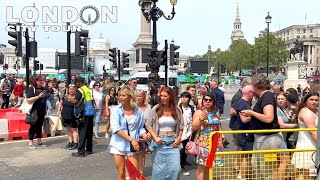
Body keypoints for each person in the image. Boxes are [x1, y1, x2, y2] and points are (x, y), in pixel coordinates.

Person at [240, 74, 283, 179]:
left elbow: (268, 118)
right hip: (261, 137)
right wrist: (251, 116)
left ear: (256, 85)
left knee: (266, 170)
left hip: (268, 139)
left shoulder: (267, 96)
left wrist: (252, 113)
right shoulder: (265, 96)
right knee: (257, 166)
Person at [109, 87, 148, 180]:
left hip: (132, 146)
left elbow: (140, 127)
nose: (120, 97)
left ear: (130, 97)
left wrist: (144, 134)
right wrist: (131, 139)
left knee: (134, 173)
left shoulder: (138, 111)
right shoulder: (116, 110)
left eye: (123, 95)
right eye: (119, 95)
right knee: (121, 172)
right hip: (119, 144)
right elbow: (116, 129)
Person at [145, 87, 184, 180]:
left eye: (165, 96)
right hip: (159, 142)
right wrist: (155, 137)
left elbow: (181, 126)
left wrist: (179, 138)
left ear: (170, 97)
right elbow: (148, 125)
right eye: (161, 96)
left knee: (176, 169)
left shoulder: (177, 109)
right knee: (159, 171)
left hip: (172, 142)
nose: (162, 98)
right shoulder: (156, 108)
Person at [192, 93, 223, 180]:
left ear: (213, 102)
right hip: (203, 141)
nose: (208, 101)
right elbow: (194, 127)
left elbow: (219, 128)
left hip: (214, 141)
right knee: (201, 167)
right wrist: (202, 118)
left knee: (209, 165)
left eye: (210, 100)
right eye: (206, 99)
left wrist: (221, 142)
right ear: (202, 101)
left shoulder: (215, 113)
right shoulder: (199, 112)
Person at [292, 92, 319, 180]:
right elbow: (313, 132)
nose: (314, 102)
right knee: (306, 175)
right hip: (308, 148)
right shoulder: (306, 112)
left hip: (312, 147)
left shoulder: (313, 111)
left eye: (316, 100)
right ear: (306, 101)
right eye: (311, 100)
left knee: (309, 174)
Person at [68, 77, 95, 157]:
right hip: (90, 112)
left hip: (84, 114)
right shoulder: (87, 89)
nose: (75, 85)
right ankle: (89, 149)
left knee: (82, 132)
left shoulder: (80, 90)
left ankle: (81, 151)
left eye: (75, 83)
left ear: (79, 82)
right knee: (89, 132)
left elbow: (75, 102)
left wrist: (69, 98)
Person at [235, 85, 255, 179]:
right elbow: (244, 119)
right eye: (253, 93)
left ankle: (243, 174)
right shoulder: (242, 104)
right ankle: (241, 175)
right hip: (245, 133)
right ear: (249, 93)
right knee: (247, 157)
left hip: (245, 133)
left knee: (246, 156)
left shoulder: (245, 103)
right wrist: (255, 116)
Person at [26, 76, 48, 149]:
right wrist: (38, 97)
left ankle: (39, 141)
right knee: (33, 126)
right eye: (40, 80)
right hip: (34, 110)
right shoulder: (32, 89)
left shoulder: (43, 89)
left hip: (42, 110)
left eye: (42, 80)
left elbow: (46, 97)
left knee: (39, 126)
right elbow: (28, 100)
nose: (42, 81)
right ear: (36, 81)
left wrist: (46, 109)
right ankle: (30, 142)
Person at [58, 84, 79, 150]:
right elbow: (60, 104)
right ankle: (71, 142)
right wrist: (58, 111)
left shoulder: (76, 97)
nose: (71, 90)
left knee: (74, 130)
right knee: (68, 130)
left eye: (73, 89)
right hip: (65, 114)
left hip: (72, 115)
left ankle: (76, 143)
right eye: (70, 89)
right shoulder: (65, 96)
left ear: (75, 90)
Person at [135, 89, 152, 175]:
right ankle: (134, 172)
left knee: (142, 154)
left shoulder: (148, 107)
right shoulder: (133, 106)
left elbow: (151, 120)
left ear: (143, 97)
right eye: (137, 96)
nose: (138, 98)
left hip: (146, 132)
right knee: (134, 154)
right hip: (135, 132)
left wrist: (149, 132)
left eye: (140, 96)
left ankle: (140, 172)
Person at [179, 91, 195, 176]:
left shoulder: (191, 108)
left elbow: (193, 119)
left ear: (189, 99)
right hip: (181, 132)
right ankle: (181, 166)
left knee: (186, 149)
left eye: (185, 97)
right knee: (181, 150)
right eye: (182, 97)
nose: (184, 99)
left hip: (189, 132)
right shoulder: (178, 108)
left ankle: (184, 162)